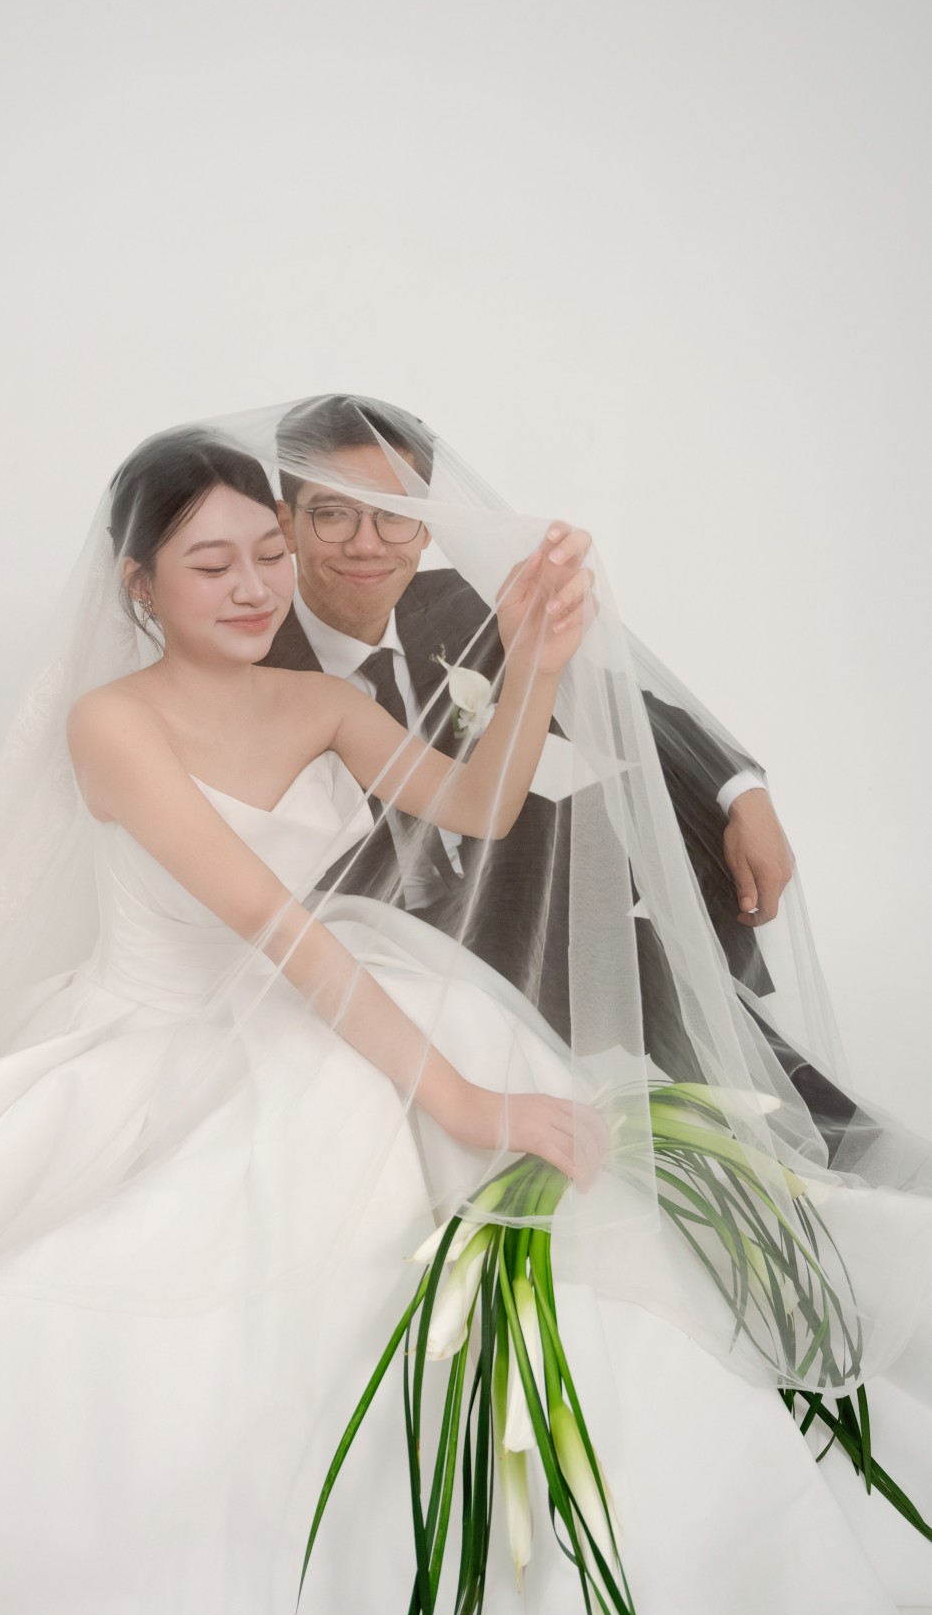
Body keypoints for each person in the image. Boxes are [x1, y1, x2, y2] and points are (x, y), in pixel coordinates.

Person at [0, 409, 930, 1615]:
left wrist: (534, 664)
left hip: (325, 1011)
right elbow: (277, 926)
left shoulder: (316, 703)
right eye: (210, 566)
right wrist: (459, 1092)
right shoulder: (111, 724)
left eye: (268, 552)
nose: (255, 586)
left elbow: (479, 807)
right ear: (137, 583)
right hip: (164, 1038)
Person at [265, 394, 863, 1148]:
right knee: (592, 885)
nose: (366, 544)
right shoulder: (251, 657)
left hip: (486, 889)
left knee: (609, 819)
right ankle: (773, 1119)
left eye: (394, 515)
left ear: (428, 525)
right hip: (360, 938)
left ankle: (768, 1095)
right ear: (284, 523)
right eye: (332, 514)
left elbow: (617, 700)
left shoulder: (452, 603)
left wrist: (744, 794)